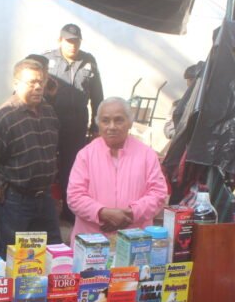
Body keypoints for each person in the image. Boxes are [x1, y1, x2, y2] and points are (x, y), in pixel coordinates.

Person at [0, 58, 62, 258]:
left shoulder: (49, 112)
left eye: (40, 82)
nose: (37, 87)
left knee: (53, 255)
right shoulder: (4, 117)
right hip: (16, 201)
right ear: (16, 84)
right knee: (14, 260)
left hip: (46, 198)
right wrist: (5, 179)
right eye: (31, 82)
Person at [67, 97, 167, 243]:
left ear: (130, 122)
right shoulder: (85, 155)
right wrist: (102, 213)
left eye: (119, 120)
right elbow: (74, 196)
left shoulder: (146, 154)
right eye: (105, 120)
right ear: (98, 124)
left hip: (134, 242)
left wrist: (131, 214)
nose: (112, 126)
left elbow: (158, 194)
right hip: (91, 243)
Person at [43, 23, 104, 222]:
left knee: (72, 166)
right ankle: (45, 211)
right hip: (50, 123)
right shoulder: (48, 60)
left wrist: (97, 126)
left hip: (77, 123)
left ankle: (69, 211)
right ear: (60, 40)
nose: (73, 46)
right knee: (46, 165)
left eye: (76, 42)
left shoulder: (89, 61)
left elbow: (97, 95)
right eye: (69, 41)